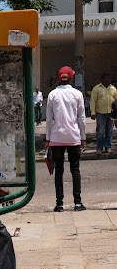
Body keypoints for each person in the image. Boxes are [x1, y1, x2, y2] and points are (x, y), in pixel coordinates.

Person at [45, 66, 86, 212]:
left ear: (59, 78)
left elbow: (49, 119)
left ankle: (59, 204)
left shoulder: (52, 95)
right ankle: (78, 203)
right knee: (75, 169)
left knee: (59, 171)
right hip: (73, 136)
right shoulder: (77, 94)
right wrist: (83, 137)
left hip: (56, 137)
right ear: (71, 78)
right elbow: (81, 118)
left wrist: (48, 139)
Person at [90, 72, 117, 155]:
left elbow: (116, 101)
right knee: (100, 132)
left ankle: (108, 147)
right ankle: (99, 148)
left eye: (110, 79)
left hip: (111, 114)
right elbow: (93, 101)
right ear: (102, 80)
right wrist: (93, 112)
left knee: (109, 131)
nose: (109, 80)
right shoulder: (96, 88)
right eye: (107, 79)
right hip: (101, 114)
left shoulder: (113, 88)